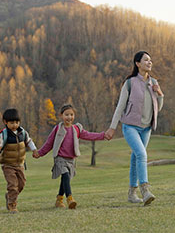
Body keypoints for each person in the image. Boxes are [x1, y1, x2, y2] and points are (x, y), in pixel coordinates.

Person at [105, 51, 164, 206]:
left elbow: (158, 108)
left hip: (146, 128)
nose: (149, 62)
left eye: (150, 60)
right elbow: (120, 107)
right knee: (141, 154)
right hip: (130, 126)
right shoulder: (130, 83)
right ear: (137, 63)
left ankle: (132, 193)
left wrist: (160, 94)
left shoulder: (154, 82)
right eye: (146, 60)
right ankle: (145, 190)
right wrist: (112, 128)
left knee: (135, 157)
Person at [35, 104, 106, 209]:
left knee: (65, 179)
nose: (69, 117)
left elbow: (89, 135)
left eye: (71, 115)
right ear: (61, 116)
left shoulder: (76, 129)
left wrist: (103, 135)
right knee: (65, 174)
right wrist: (40, 153)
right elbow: (49, 142)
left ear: (74, 116)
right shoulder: (58, 129)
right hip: (60, 158)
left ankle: (59, 200)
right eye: (66, 115)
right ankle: (70, 198)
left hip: (71, 159)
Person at [0, 108, 40, 214]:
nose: (14, 125)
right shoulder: (4, 134)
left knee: (21, 184)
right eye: (11, 123)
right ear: (5, 122)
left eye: (16, 122)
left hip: (20, 164)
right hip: (8, 165)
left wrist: (34, 150)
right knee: (13, 185)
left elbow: (29, 141)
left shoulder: (22, 132)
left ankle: (10, 196)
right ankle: (12, 205)